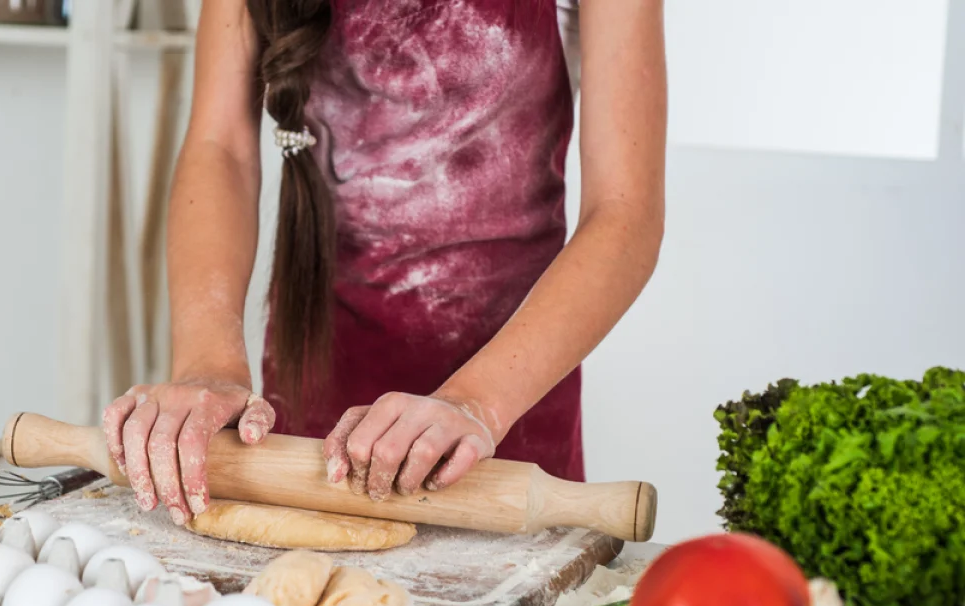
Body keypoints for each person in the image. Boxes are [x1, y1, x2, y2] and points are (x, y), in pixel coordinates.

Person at [102, 0, 666, 524]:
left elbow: (624, 213)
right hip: (304, 433)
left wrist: (475, 404)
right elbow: (219, 146)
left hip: (503, 426)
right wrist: (207, 364)